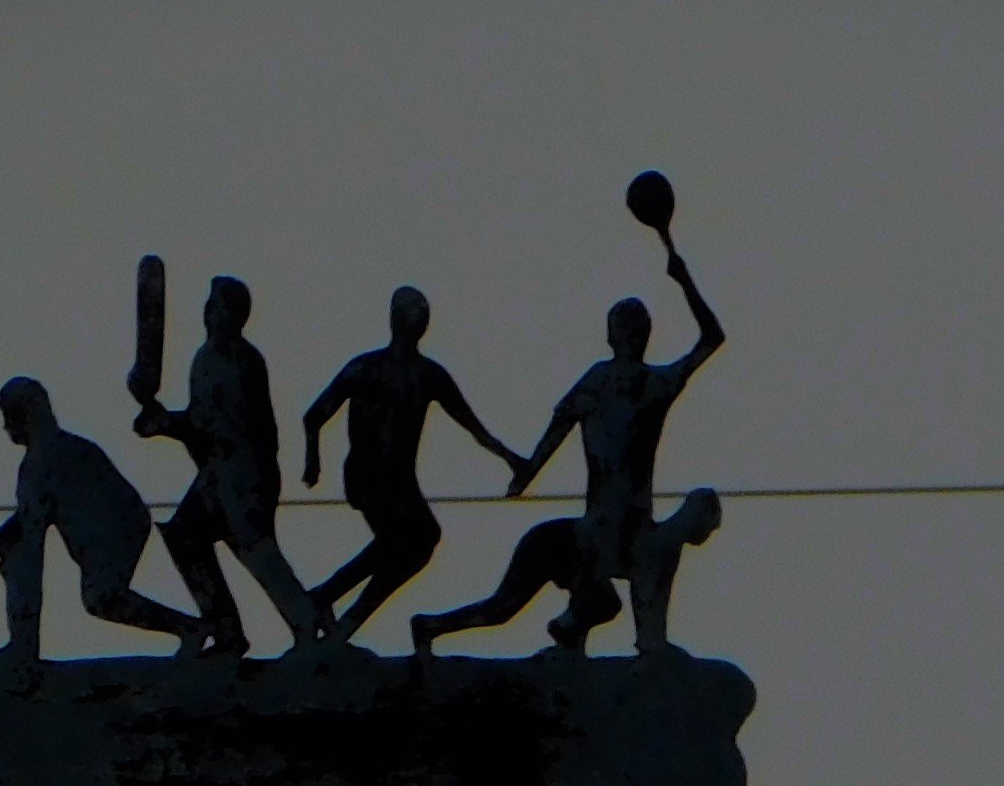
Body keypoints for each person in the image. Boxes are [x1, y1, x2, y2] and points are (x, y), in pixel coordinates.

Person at [412, 246, 725, 656]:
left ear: (616, 335)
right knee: (510, 608)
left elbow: (555, 433)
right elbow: (711, 338)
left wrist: (528, 471)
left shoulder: (647, 384)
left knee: (587, 601)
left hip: (623, 531)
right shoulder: (626, 382)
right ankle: (433, 627)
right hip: (593, 535)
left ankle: (569, 637)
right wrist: (527, 472)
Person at [298, 286, 526, 642]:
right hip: (368, 476)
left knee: (418, 543)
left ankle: (340, 611)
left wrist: (511, 460)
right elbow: (314, 416)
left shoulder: (429, 375)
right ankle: (327, 599)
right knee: (402, 539)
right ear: (396, 321)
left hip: (401, 482)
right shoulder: (366, 368)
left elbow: (473, 426)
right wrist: (313, 462)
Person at [0, 376, 209, 663]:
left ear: (20, 417)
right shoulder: (66, 450)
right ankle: (190, 628)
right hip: (124, 524)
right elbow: (27, 519)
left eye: (8, 417)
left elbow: (32, 539)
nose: (5, 427)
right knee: (99, 596)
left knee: (85, 589)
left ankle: (23, 646)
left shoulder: (40, 464)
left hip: (112, 531)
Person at [131, 275, 326, 656]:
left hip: (244, 473)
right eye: (209, 308)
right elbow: (200, 425)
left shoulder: (241, 361)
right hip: (219, 473)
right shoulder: (204, 358)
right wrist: (165, 421)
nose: (211, 315)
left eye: (219, 308)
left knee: (256, 550)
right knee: (187, 536)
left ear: (236, 316)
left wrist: (167, 424)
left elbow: (216, 425)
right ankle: (227, 630)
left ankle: (308, 625)